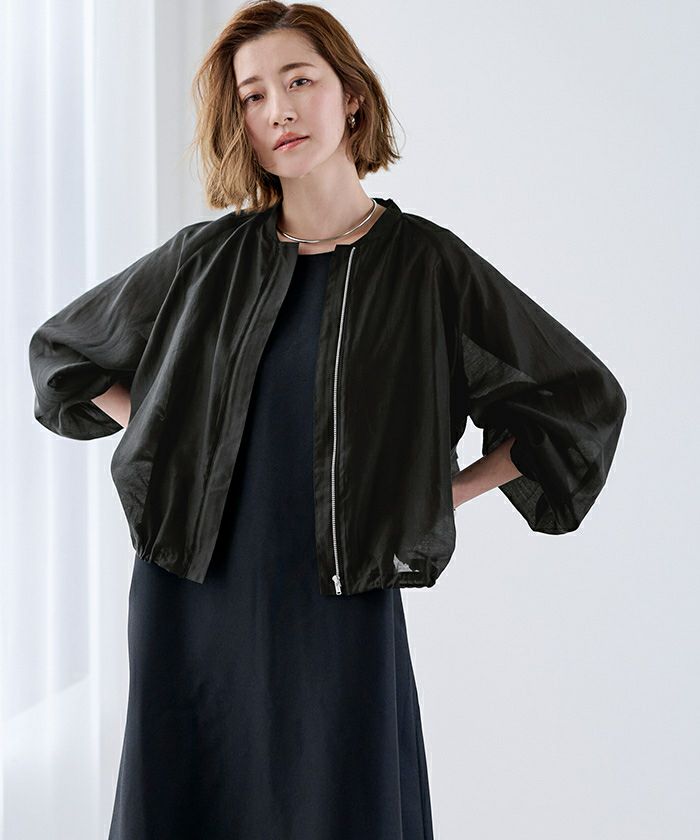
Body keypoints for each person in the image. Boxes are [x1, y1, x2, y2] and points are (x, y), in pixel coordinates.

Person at [27, 2, 627, 838]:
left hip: (337, 601)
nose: (277, 109)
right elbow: (63, 355)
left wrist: (436, 496)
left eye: (299, 81)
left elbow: (576, 400)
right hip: (190, 595)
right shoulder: (205, 261)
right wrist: (165, 432)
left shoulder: (424, 266)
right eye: (252, 95)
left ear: (351, 97)